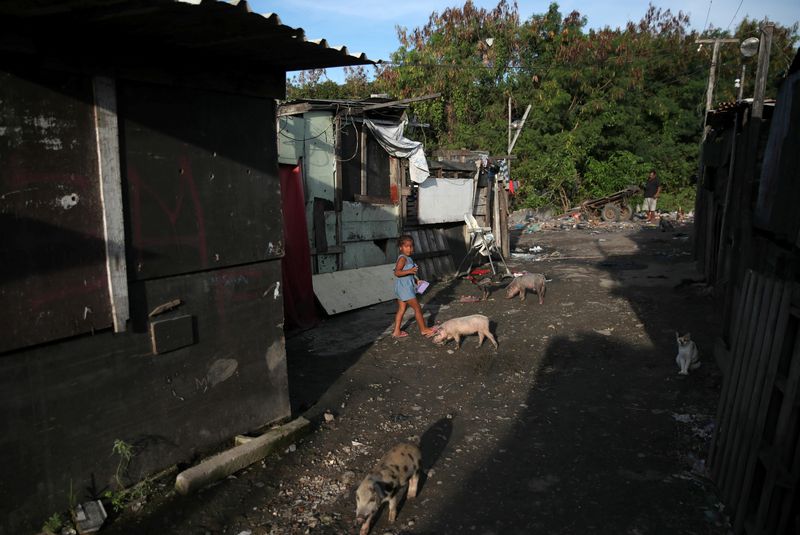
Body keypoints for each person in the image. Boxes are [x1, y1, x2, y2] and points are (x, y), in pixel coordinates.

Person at [391, 235, 437, 339]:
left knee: (402, 309)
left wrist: (417, 280)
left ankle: (396, 331)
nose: (409, 249)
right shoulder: (402, 259)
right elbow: (397, 272)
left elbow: (409, 274)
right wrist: (410, 271)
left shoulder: (409, 258)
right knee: (417, 308)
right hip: (405, 289)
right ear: (400, 247)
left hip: (401, 288)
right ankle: (424, 329)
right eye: (406, 246)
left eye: (411, 246)